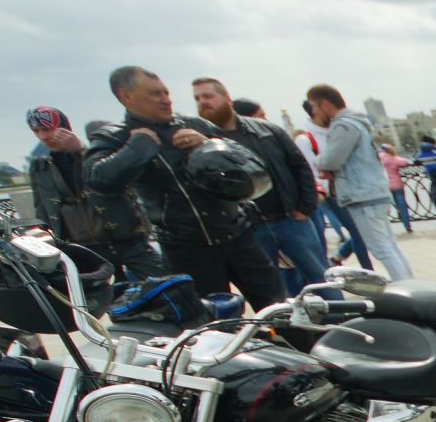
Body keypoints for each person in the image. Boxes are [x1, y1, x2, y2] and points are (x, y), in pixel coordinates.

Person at [84, 66, 285, 307]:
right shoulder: (116, 136)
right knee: (212, 326)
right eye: (155, 94)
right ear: (127, 96)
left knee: (279, 308)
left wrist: (209, 144)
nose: (166, 99)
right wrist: (139, 145)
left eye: (166, 92)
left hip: (237, 235)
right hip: (186, 248)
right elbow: (98, 179)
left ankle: (298, 344)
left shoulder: (194, 124)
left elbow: (252, 163)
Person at [192, 77, 326, 292]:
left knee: (321, 279)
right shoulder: (204, 142)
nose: (203, 102)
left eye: (208, 96)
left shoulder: (268, 131)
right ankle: (289, 327)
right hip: (249, 231)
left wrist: (305, 207)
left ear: (227, 98)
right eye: (197, 98)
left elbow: (300, 167)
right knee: (272, 291)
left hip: (290, 220)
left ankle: (341, 322)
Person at [24, 106, 163, 279]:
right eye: (36, 131)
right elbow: (42, 208)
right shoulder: (40, 167)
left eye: (46, 129)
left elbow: (112, 176)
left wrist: (80, 151)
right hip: (85, 247)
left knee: (162, 283)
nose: (42, 136)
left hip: (126, 238)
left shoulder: (93, 153)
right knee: (107, 298)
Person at [305, 85, 414, 280]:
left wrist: (319, 161)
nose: (313, 111)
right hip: (374, 191)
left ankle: (409, 289)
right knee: (389, 245)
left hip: (361, 194)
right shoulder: (358, 122)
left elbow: (331, 159)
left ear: (325, 104)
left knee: (382, 248)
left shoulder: (343, 125)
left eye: (314, 106)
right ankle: (412, 285)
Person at [296, 112, 368, 268]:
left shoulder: (335, 132)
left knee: (361, 232)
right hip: (330, 194)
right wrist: (324, 189)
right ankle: (366, 271)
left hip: (349, 190)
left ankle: (337, 258)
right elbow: (311, 169)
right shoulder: (305, 139)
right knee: (358, 233)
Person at [380, 145, 416, 231]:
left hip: (383, 185)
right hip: (396, 185)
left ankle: (385, 227)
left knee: (385, 206)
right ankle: (407, 225)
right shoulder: (394, 158)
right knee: (402, 204)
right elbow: (406, 162)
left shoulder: (377, 159)